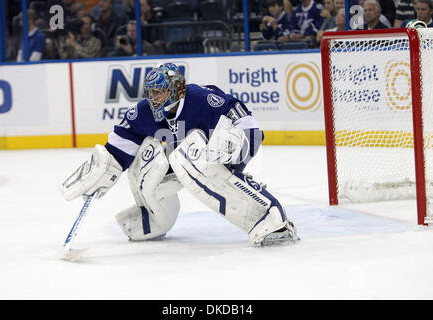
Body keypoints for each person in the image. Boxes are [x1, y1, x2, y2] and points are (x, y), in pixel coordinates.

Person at [61, 63, 300, 247]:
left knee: (186, 156)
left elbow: (249, 126)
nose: (153, 98)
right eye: (151, 92)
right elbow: (121, 142)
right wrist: (105, 171)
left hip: (208, 159)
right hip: (175, 164)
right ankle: (154, 221)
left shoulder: (202, 100)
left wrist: (236, 159)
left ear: (177, 90)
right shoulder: (144, 111)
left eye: (160, 92)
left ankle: (268, 219)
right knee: (145, 163)